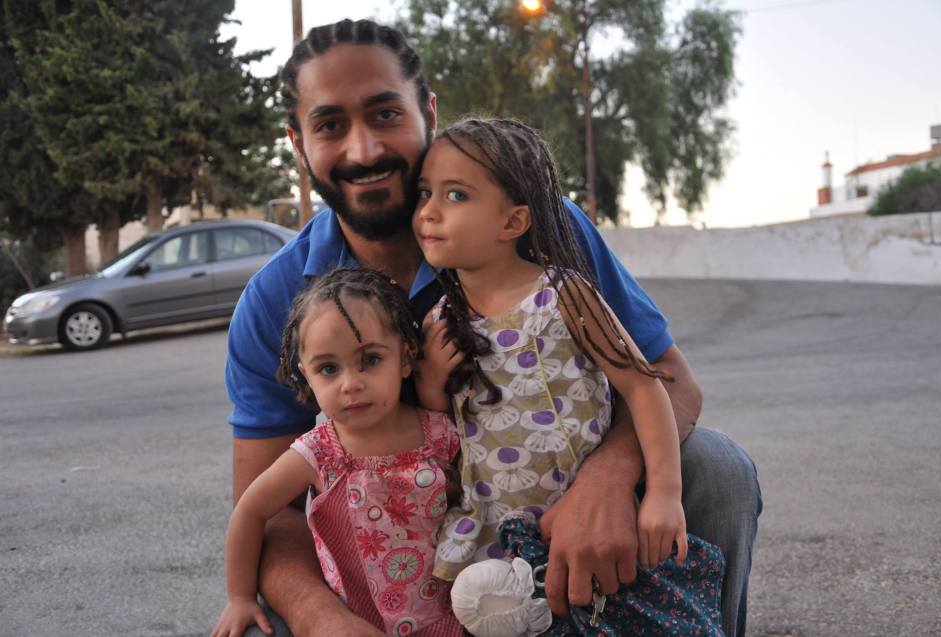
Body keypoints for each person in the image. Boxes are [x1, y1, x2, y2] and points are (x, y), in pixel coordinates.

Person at [225, 17, 761, 637]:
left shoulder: (536, 228)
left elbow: (669, 381)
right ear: (297, 142)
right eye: (329, 125)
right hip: (392, 570)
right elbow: (269, 512)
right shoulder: (274, 300)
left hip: (550, 502)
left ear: (428, 111)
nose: (364, 149)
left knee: (717, 468)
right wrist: (323, 619)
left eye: (385, 114)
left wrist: (607, 481)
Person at [412, 118, 687, 583]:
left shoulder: (563, 295)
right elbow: (443, 427)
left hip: (586, 519)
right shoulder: (440, 320)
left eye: (455, 195)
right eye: (425, 193)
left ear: (513, 221)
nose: (429, 212)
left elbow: (642, 386)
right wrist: (431, 380)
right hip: (491, 533)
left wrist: (663, 492)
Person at [213, 268, 464, 637]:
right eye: (328, 368)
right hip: (356, 627)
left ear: (407, 358)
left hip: (452, 623)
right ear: (305, 375)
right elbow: (250, 511)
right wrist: (240, 596)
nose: (351, 384)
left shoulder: (440, 433)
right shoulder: (318, 453)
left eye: (371, 360)